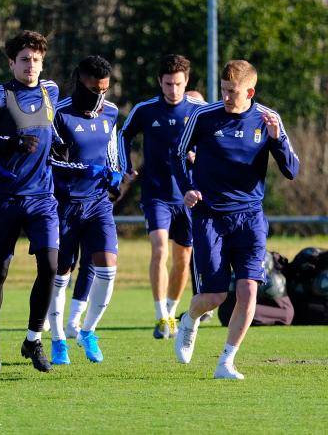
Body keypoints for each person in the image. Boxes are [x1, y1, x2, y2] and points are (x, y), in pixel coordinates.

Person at [173, 60, 299, 379]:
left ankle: (226, 362)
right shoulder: (204, 116)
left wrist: (277, 139)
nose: (227, 97)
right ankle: (189, 320)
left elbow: (292, 170)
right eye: (224, 90)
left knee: (248, 290)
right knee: (214, 296)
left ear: (250, 91)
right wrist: (188, 189)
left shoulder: (268, 119)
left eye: (234, 92)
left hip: (250, 219)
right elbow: (177, 155)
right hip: (210, 218)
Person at [0, 30, 60, 373]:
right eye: (24, 60)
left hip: (43, 198)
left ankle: (34, 339)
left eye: (36, 59)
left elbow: (51, 130)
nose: (31, 65)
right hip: (5, 197)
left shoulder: (51, 91)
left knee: (51, 266)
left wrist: (62, 145)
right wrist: (10, 142)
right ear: (11, 63)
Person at [117, 54, 206, 339]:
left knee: (183, 258)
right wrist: (125, 165)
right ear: (160, 82)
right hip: (156, 193)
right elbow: (123, 135)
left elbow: (216, 140)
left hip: (189, 196)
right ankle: (161, 317)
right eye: (168, 84)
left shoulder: (199, 110)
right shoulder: (146, 110)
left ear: (186, 81)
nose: (173, 90)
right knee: (159, 248)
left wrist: (198, 155)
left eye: (178, 84)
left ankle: (171, 309)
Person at [47, 56, 121, 365]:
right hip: (65, 204)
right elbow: (49, 161)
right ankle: (57, 338)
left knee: (108, 266)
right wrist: (82, 169)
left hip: (98, 204)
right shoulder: (59, 113)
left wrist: (116, 173)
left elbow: (111, 151)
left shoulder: (111, 112)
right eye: (94, 90)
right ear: (80, 83)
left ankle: (87, 330)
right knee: (61, 272)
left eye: (104, 89)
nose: (100, 96)